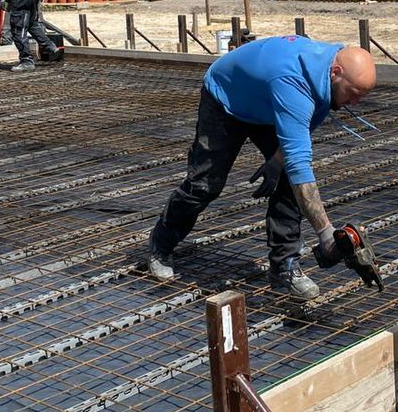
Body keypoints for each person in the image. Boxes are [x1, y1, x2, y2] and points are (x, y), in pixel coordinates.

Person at [148, 36, 378, 298]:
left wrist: (276, 162)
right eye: (354, 94)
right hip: (226, 97)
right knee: (204, 185)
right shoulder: (294, 83)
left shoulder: (327, 74)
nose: (355, 103)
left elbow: (301, 132)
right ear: (336, 72)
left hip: (267, 103)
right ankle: (161, 243)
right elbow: (301, 166)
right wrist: (327, 236)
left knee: (289, 183)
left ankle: (285, 268)